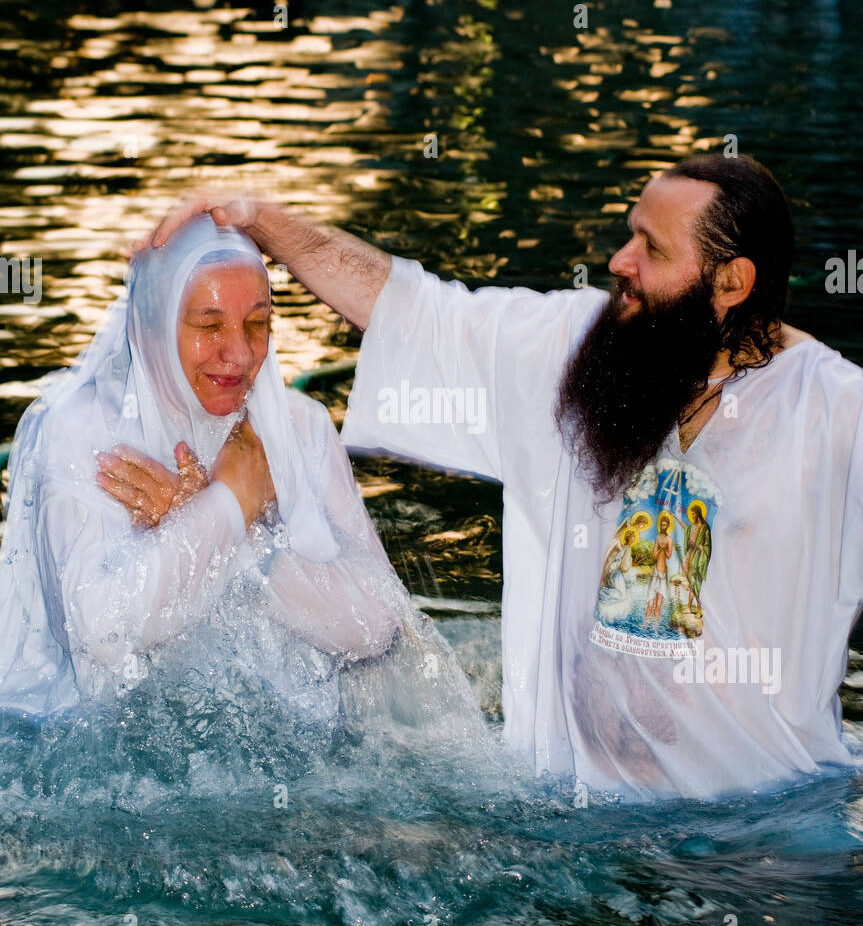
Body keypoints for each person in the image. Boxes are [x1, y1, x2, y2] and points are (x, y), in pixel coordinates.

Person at [146, 155, 863, 802]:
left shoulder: (832, 413)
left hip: (770, 827)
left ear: (731, 282)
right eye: (629, 234)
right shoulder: (585, 350)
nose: (620, 261)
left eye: (651, 248)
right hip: (581, 815)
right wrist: (260, 218)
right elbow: (411, 310)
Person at [0, 215, 420, 724]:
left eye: (258, 323)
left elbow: (377, 626)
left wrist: (234, 533)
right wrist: (231, 506)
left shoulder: (297, 428)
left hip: (283, 750)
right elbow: (103, 636)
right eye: (210, 325)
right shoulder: (82, 431)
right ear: (153, 325)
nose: (240, 354)